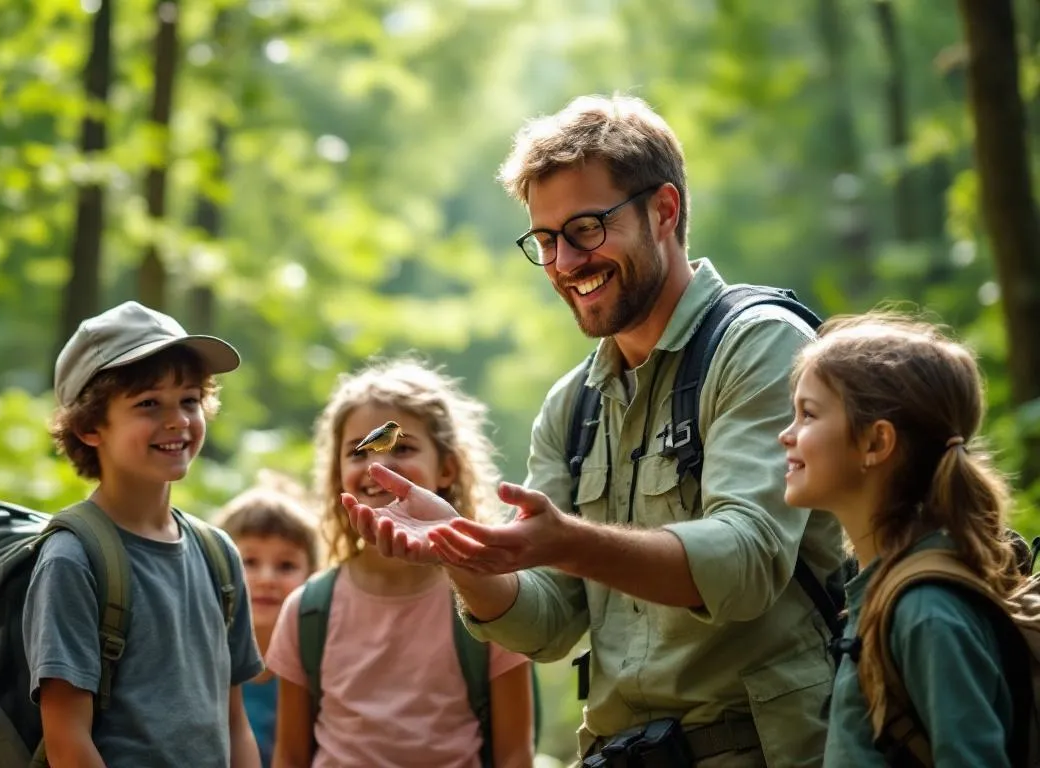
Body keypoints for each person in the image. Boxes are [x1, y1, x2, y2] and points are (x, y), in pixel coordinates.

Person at [341, 95, 845, 767]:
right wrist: (462, 555)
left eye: (584, 228)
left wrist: (571, 542)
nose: (565, 262)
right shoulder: (570, 407)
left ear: (663, 211)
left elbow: (746, 563)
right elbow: (548, 621)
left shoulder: (760, 346)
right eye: (545, 240)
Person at [24, 300, 263, 767]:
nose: (177, 420)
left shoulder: (218, 555)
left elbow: (235, 722)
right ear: (91, 426)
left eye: (190, 400)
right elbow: (68, 741)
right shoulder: (73, 559)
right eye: (149, 404)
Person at [266, 357, 535, 768]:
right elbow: (289, 755)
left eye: (404, 448)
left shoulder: (489, 599)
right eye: (359, 453)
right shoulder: (306, 612)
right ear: (338, 473)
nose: (380, 466)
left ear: (447, 468)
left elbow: (516, 754)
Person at [780, 312, 1018, 765]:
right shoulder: (882, 590)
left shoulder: (926, 612)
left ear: (876, 444)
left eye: (807, 414)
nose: (785, 435)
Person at [214, 471, 321, 768]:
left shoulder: (318, 662)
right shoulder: (205, 657)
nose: (266, 579)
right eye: (249, 562)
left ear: (313, 574)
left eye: (286, 565)